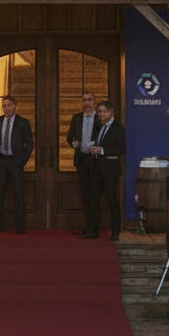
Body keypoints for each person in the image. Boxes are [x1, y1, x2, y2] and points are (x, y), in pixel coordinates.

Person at [0, 94, 33, 233]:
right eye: (4, 106)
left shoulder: (23, 122)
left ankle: (20, 225)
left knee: (19, 194)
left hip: (16, 161)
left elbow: (30, 144)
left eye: (8, 105)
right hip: (2, 161)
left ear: (15, 106)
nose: (6, 108)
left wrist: (22, 162)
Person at [88, 101, 126, 240]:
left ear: (111, 113)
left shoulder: (118, 128)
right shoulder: (98, 127)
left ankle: (115, 231)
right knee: (94, 200)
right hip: (97, 167)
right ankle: (93, 230)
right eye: (99, 112)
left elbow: (122, 149)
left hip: (110, 168)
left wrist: (102, 150)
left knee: (112, 200)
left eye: (104, 112)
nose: (101, 114)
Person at [68, 92, 100, 238]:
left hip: (95, 160)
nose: (87, 103)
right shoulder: (77, 118)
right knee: (86, 195)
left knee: (95, 194)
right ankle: (88, 227)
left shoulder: (99, 118)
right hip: (82, 160)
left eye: (89, 100)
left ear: (94, 102)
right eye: (84, 100)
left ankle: (94, 228)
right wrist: (73, 142)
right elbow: (70, 136)